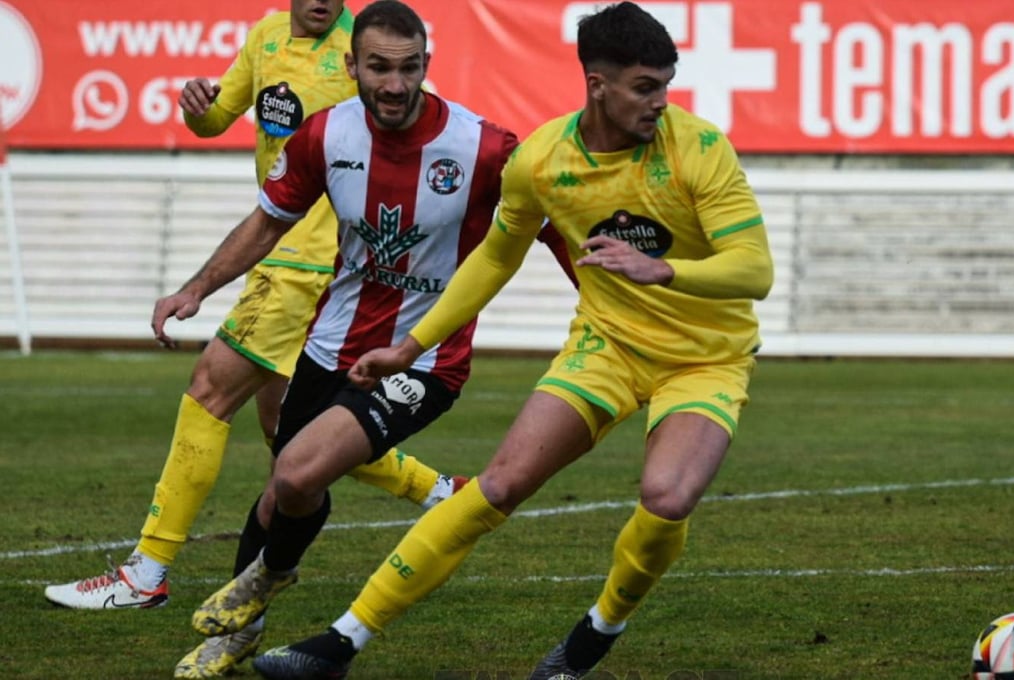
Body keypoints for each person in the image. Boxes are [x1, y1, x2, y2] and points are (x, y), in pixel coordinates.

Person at [234, 3, 775, 679]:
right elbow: (494, 258)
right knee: (497, 486)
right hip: (607, 348)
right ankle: (341, 643)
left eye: (665, 85)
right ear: (597, 84)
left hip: (706, 359)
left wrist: (663, 269)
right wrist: (410, 347)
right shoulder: (542, 160)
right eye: (644, 87)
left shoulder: (699, 147)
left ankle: (591, 637)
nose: (660, 102)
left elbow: (755, 270)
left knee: (666, 497)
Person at [169, 1, 575, 678]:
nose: (394, 84)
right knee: (283, 493)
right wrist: (196, 288)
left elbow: (556, 224)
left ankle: (267, 578)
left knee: (298, 472)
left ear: (427, 65)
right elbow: (268, 222)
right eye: (379, 68)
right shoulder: (325, 135)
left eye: (409, 68)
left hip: (425, 360)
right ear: (352, 65)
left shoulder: (483, 147)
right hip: (332, 344)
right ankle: (241, 633)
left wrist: (612, 306)